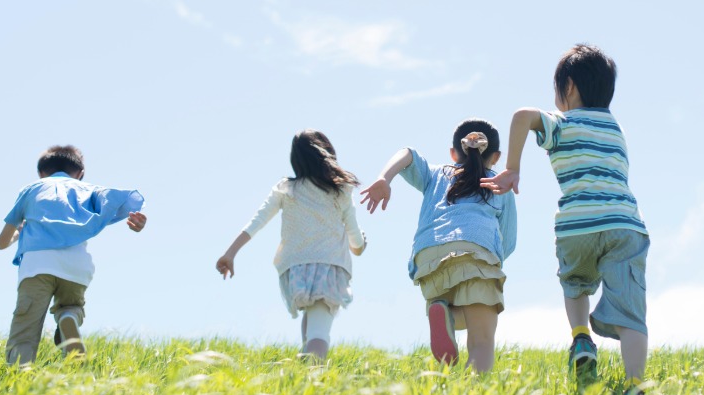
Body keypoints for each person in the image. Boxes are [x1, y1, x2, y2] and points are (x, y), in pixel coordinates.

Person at [481, 44, 650, 395]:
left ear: (569, 87)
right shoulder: (615, 129)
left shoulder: (563, 122)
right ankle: (635, 387)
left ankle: (581, 338)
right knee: (632, 314)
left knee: (575, 282)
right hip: (624, 224)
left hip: (577, 226)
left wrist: (512, 168)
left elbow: (522, 116)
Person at [360, 119, 516, 373]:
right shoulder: (499, 185)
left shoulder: (437, 174)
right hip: (476, 253)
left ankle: (445, 315)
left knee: (461, 312)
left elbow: (408, 154)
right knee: (482, 340)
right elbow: (507, 240)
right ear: (496, 157)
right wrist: (494, 268)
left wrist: (384, 178)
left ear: (453, 153)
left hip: (429, 259)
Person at [216, 130, 367, 362]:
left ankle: (305, 366)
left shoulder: (286, 189)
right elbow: (355, 238)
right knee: (319, 331)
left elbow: (257, 222)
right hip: (329, 269)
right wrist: (359, 245)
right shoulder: (340, 190)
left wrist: (230, 253)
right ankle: (313, 375)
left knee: (311, 325)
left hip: (297, 270)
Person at [0, 145, 147, 365]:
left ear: (41, 173)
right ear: (80, 174)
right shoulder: (89, 190)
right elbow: (122, 201)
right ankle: (68, 318)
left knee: (25, 325)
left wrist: (20, 232)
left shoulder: (32, 189)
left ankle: (20, 374)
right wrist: (137, 223)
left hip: (37, 265)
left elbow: (1, 243)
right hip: (76, 267)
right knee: (72, 307)